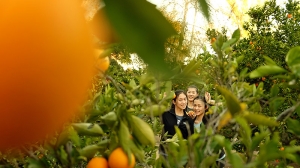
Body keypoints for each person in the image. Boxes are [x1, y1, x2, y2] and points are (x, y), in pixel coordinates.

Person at [192, 96, 226, 168]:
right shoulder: (191, 122)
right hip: (202, 159)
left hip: (217, 158)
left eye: (199, 106)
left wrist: (210, 102)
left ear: (205, 107)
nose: (196, 108)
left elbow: (224, 106)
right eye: (195, 105)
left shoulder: (211, 118)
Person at [160, 90, 194, 158]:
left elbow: (190, 138)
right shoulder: (166, 114)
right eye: (180, 100)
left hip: (181, 154)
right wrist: (163, 100)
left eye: (185, 99)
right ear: (174, 102)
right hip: (166, 153)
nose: (183, 102)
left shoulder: (189, 119)